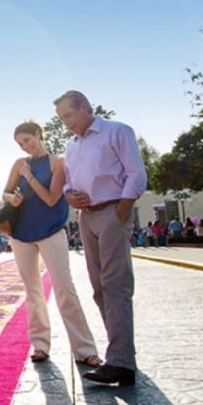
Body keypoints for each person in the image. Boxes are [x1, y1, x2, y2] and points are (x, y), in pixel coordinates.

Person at [54, 90, 147, 387]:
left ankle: (120, 362)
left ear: (84, 107)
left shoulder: (117, 131)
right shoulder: (72, 145)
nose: (66, 122)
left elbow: (136, 173)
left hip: (112, 212)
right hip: (87, 217)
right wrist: (70, 195)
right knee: (98, 289)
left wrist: (122, 208)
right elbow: (69, 182)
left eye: (68, 115)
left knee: (115, 285)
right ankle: (121, 356)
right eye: (61, 118)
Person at [1, 120, 100, 366]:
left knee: (64, 287)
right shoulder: (19, 164)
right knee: (32, 291)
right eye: (20, 144)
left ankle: (85, 349)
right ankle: (40, 345)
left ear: (38, 134)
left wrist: (29, 177)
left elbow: (51, 198)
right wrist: (12, 198)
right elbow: (5, 192)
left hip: (51, 231)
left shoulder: (58, 163)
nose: (25, 147)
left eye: (27, 140)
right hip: (21, 234)